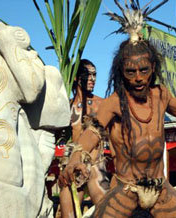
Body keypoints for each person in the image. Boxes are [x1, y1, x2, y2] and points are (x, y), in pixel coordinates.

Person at [59, 35, 176, 217]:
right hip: (126, 189)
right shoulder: (115, 102)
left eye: (144, 70)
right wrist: (75, 158)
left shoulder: (161, 95)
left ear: (153, 68)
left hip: (160, 189)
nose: (139, 78)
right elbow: (92, 132)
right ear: (121, 71)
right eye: (131, 72)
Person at [59, 59, 110, 218]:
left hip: (95, 163)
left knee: (106, 211)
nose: (92, 79)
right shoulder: (66, 107)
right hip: (71, 166)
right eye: (87, 75)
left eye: (94, 75)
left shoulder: (102, 104)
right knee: (69, 215)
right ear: (75, 78)